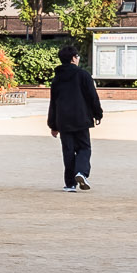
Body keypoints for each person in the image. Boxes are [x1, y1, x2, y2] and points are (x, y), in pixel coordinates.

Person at [46, 43, 104, 191]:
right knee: (84, 148)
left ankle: (70, 184)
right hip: (81, 118)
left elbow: (54, 102)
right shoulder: (83, 75)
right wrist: (98, 114)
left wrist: (53, 125)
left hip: (63, 121)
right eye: (77, 56)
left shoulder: (57, 79)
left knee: (68, 151)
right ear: (73, 58)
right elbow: (92, 97)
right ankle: (81, 172)